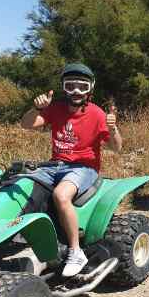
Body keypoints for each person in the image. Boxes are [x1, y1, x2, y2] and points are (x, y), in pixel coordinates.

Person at [20, 63, 121, 277]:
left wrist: (113, 128)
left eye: (82, 86)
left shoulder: (97, 114)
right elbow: (27, 124)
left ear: (90, 89)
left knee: (61, 194)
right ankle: (27, 239)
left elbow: (116, 147)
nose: (76, 91)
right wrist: (37, 108)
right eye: (70, 85)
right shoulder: (55, 108)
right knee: (21, 183)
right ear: (63, 88)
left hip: (84, 167)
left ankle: (76, 251)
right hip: (54, 165)